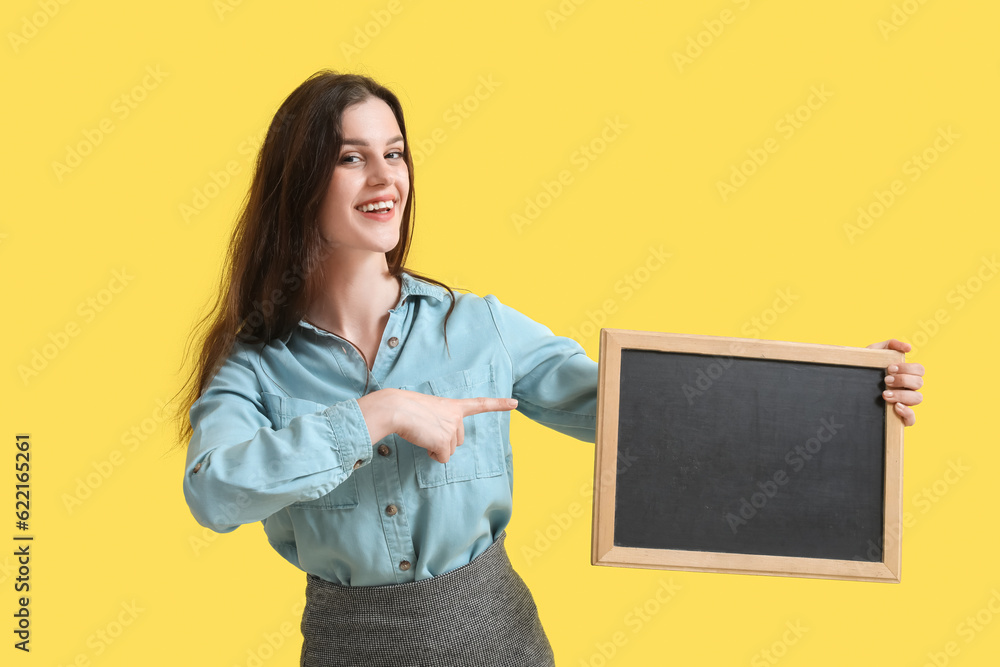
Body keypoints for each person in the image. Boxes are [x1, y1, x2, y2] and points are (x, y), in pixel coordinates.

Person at [175, 70, 925, 666]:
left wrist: (846, 394)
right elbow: (214, 491)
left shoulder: (479, 327)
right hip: (347, 651)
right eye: (351, 156)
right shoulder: (258, 365)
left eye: (395, 151)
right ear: (300, 180)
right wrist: (381, 413)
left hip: (501, 646)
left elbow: (643, 407)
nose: (385, 176)